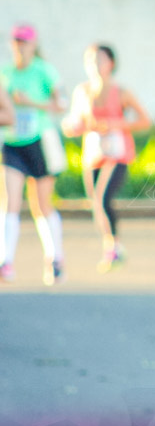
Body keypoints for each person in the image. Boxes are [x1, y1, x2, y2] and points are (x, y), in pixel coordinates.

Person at [62, 45, 151, 272]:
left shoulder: (121, 92)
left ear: (111, 63)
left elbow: (144, 121)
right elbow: (74, 121)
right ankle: (110, 248)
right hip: (93, 153)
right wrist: (72, 127)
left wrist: (117, 124)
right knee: (95, 203)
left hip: (118, 153)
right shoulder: (81, 92)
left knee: (102, 198)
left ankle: (114, 247)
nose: (94, 64)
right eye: (90, 59)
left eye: (99, 59)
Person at [0, 23, 67, 285]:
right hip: (13, 143)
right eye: (16, 41)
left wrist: (31, 103)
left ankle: (55, 258)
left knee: (42, 204)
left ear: (33, 45)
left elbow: (60, 104)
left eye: (24, 42)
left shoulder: (44, 71)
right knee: (10, 202)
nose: (20, 46)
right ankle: (6, 261)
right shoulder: (5, 73)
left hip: (40, 140)